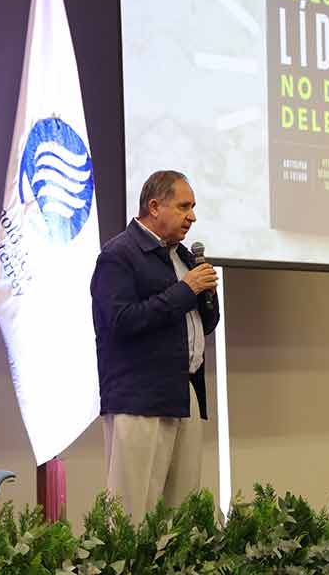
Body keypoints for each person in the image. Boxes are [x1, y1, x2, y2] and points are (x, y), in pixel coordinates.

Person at [90, 169, 220, 523]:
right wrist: (185, 291)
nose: (192, 216)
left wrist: (207, 297)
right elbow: (120, 322)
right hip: (139, 396)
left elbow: (202, 326)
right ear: (154, 206)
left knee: (181, 512)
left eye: (193, 207)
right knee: (133, 511)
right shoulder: (119, 255)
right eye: (183, 206)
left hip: (185, 391)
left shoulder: (184, 258)